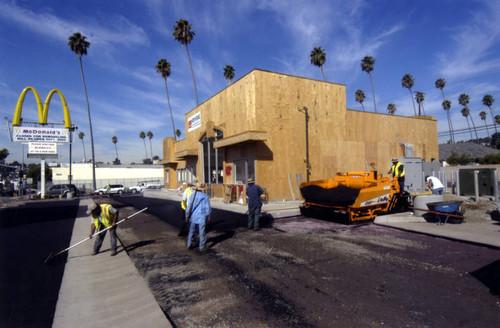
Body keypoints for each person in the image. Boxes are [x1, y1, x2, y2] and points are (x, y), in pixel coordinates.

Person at [185, 182, 211, 251]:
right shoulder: (205, 196)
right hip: (202, 216)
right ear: (202, 189)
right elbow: (207, 207)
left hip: (193, 216)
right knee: (202, 231)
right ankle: (202, 246)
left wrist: (187, 215)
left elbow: (188, 207)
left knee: (191, 230)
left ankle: (189, 244)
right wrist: (208, 215)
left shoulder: (192, 196)